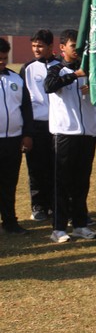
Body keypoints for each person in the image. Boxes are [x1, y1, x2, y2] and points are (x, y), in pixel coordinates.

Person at [45, 29, 96, 243]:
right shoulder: (56, 69)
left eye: (80, 46)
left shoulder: (91, 70)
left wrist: (92, 87)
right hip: (65, 133)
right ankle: (58, 228)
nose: (77, 50)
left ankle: (80, 224)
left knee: (81, 182)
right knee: (62, 183)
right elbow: (49, 86)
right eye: (73, 46)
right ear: (62, 47)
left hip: (87, 134)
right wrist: (74, 75)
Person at [19, 28, 59, 222]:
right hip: (36, 125)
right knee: (35, 167)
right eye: (34, 46)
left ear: (51, 46)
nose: (36, 49)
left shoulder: (61, 66)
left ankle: (54, 204)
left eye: (40, 46)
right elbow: (22, 100)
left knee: (55, 167)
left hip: (58, 125)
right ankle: (38, 205)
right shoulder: (27, 68)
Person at [0, 37, 33, 235]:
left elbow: (26, 109)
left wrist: (27, 134)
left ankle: (10, 222)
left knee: (9, 183)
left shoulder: (16, 79)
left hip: (13, 140)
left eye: (4, 58)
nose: (2, 62)